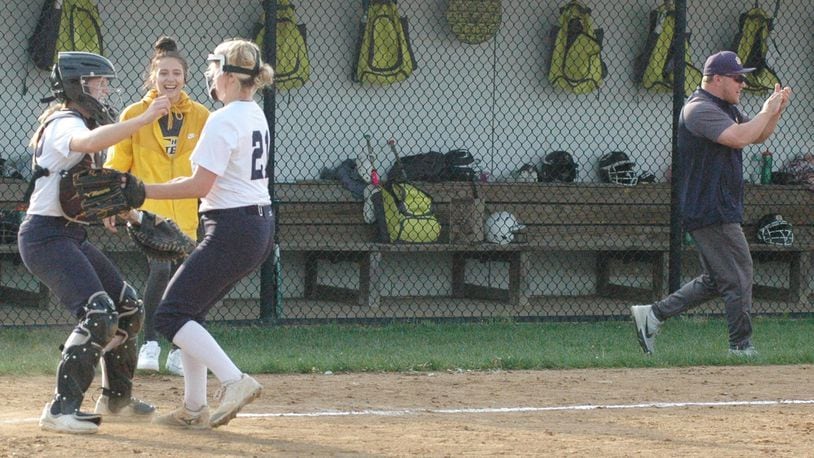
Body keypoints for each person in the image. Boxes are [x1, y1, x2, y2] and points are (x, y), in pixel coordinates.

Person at [19, 51, 170, 434]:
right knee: (99, 313)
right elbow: (85, 143)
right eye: (98, 82)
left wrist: (127, 214)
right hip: (44, 236)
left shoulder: (81, 119)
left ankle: (115, 397)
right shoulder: (63, 122)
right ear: (77, 85)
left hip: (69, 234)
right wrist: (142, 119)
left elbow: (83, 187)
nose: (105, 90)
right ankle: (60, 409)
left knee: (128, 308)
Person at [136, 38, 274, 429]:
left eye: (215, 69)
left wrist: (144, 191)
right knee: (189, 312)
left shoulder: (223, 118)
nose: (210, 75)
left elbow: (199, 185)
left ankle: (234, 380)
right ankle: (193, 407)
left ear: (230, 76)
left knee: (169, 313)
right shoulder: (253, 113)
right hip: (255, 226)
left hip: (233, 227)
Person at [631, 51, 791, 357]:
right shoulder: (699, 109)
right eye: (737, 78)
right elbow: (738, 138)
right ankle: (741, 346)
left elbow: (756, 136)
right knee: (739, 273)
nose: (743, 83)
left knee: (717, 280)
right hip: (710, 207)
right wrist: (764, 111)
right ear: (716, 79)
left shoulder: (724, 107)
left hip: (719, 205)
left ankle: (652, 315)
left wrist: (774, 112)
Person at [104, 36, 209, 377]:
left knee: (190, 279)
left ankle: (181, 350)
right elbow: (118, 162)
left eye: (176, 72)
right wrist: (110, 204)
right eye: (163, 72)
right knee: (160, 270)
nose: (170, 79)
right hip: (148, 213)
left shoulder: (201, 116)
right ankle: (151, 343)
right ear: (152, 76)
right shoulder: (134, 114)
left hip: (188, 214)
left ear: (185, 77)